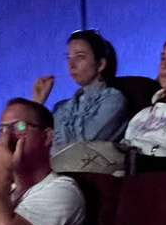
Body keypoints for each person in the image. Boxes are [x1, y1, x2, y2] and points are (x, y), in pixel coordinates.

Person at [34, 30, 126, 172]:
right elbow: (36, 143)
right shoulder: (61, 107)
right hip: (54, 172)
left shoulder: (113, 100)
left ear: (100, 64)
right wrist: (37, 102)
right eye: (69, 58)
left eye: (80, 57)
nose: (71, 65)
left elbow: (81, 148)